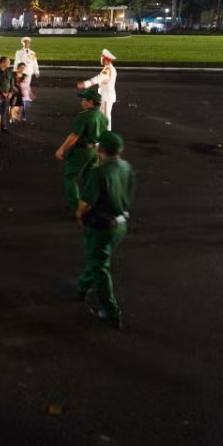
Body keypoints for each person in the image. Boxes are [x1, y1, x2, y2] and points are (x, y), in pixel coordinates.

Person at [74, 131, 135, 329]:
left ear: (100, 150)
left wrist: (79, 216)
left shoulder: (99, 172)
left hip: (102, 225)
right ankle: (82, 286)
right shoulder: (126, 167)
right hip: (121, 224)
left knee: (100, 266)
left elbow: (86, 203)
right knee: (99, 258)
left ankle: (111, 312)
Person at [55, 88, 108, 216]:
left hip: (81, 151)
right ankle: (91, 204)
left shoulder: (84, 116)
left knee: (70, 177)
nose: (81, 102)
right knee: (89, 178)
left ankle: (77, 207)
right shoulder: (103, 117)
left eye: (84, 100)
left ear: (90, 102)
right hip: (94, 150)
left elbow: (74, 136)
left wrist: (62, 148)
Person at [78, 49, 118, 130]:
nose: (101, 59)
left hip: (106, 97)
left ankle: (105, 138)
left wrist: (84, 84)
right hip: (106, 97)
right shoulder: (110, 69)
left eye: (102, 57)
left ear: (105, 59)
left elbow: (98, 79)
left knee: (104, 118)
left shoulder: (107, 70)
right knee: (104, 117)